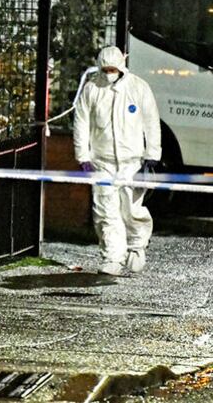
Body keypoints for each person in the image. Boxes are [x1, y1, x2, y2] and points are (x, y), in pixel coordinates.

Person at [73, 45, 161, 275]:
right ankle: (113, 257)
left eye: (113, 69)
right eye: (106, 69)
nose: (109, 73)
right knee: (106, 211)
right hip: (102, 162)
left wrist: (151, 157)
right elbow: (81, 123)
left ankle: (137, 245)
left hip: (133, 163)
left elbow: (152, 123)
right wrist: (83, 156)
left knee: (131, 210)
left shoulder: (139, 88)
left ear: (121, 67)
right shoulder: (92, 89)